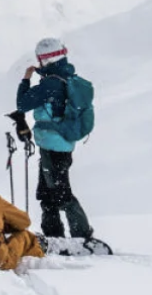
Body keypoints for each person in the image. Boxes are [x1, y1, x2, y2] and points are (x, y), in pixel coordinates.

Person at [15, 36, 96, 243]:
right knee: (47, 192)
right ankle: (54, 234)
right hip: (58, 144)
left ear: (45, 59)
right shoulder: (65, 78)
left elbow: (22, 104)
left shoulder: (51, 83)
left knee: (60, 192)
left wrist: (26, 79)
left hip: (53, 145)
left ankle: (82, 235)